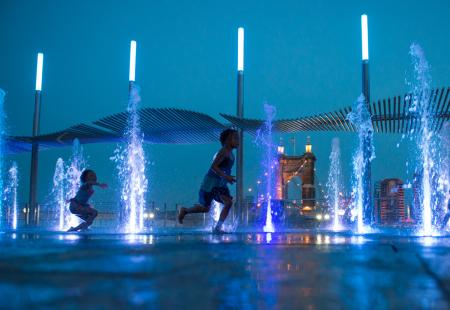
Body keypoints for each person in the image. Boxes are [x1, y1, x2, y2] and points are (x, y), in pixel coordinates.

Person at [178, 128, 239, 233]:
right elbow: (213, 166)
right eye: (236, 138)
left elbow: (223, 168)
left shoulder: (230, 153)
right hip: (210, 184)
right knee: (207, 208)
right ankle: (185, 211)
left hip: (220, 184)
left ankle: (217, 227)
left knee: (226, 203)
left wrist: (226, 177)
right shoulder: (223, 152)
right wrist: (226, 177)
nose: (238, 141)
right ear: (228, 140)